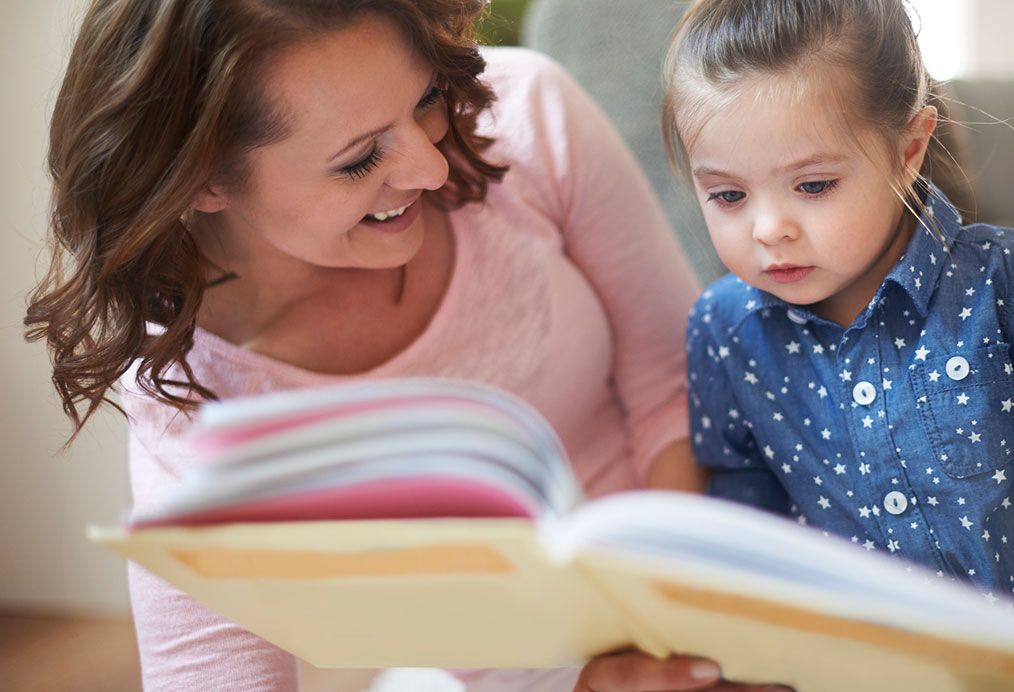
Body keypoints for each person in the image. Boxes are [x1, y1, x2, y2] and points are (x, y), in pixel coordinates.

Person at [24, 1, 764, 690]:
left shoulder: (529, 114)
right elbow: (208, 666)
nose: (429, 168)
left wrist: (656, 634)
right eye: (358, 159)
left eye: (423, 102)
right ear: (203, 179)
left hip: (691, 600)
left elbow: (679, 386)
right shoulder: (187, 381)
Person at [663, 1, 1014, 690]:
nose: (769, 229)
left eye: (813, 185)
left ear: (909, 151)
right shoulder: (722, 330)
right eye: (728, 196)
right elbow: (748, 525)